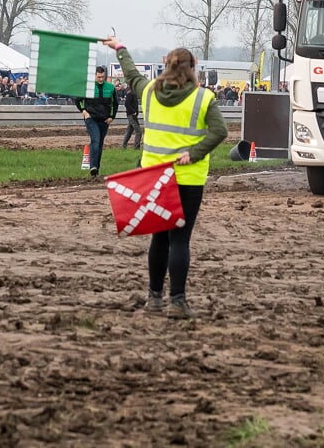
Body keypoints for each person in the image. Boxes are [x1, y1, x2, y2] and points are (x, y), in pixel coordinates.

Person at [103, 36, 228, 320]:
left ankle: (154, 299)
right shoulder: (203, 97)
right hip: (188, 179)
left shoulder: (148, 91)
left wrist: (120, 47)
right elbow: (220, 132)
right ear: (193, 66)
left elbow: (132, 74)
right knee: (180, 241)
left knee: (159, 240)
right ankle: (178, 301)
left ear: (166, 65)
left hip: (154, 177)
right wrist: (194, 153)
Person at [75, 66, 118, 178]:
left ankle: (96, 169)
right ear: (94, 76)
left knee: (100, 144)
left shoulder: (110, 87)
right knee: (96, 140)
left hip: (104, 120)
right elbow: (77, 100)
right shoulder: (87, 87)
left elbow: (115, 104)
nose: (100, 79)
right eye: (98, 77)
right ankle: (93, 166)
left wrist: (111, 117)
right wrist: (84, 112)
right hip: (91, 119)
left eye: (102, 77)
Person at [120, 80, 143, 151]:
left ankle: (123, 146)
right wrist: (133, 112)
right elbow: (127, 104)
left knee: (129, 131)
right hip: (132, 115)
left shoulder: (131, 91)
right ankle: (136, 148)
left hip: (132, 115)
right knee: (138, 131)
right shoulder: (130, 92)